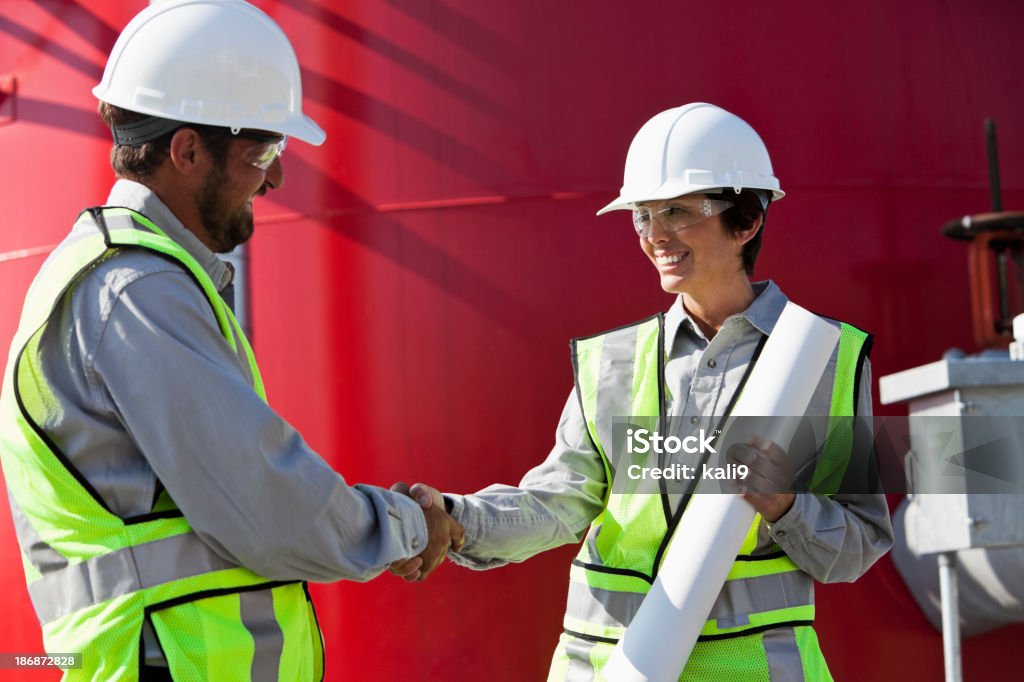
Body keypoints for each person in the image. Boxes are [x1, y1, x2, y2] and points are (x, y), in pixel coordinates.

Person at [0, 2, 462, 680]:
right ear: (186, 152)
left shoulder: (126, 279)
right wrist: (410, 525)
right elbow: (270, 505)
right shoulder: (133, 292)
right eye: (263, 153)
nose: (275, 179)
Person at [390, 103, 894, 680]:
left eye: (678, 212)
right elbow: (557, 503)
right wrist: (458, 519)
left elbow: (858, 544)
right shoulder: (613, 361)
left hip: (754, 669)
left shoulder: (824, 359)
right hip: (607, 667)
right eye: (642, 215)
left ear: (747, 221)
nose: (655, 235)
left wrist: (784, 507)